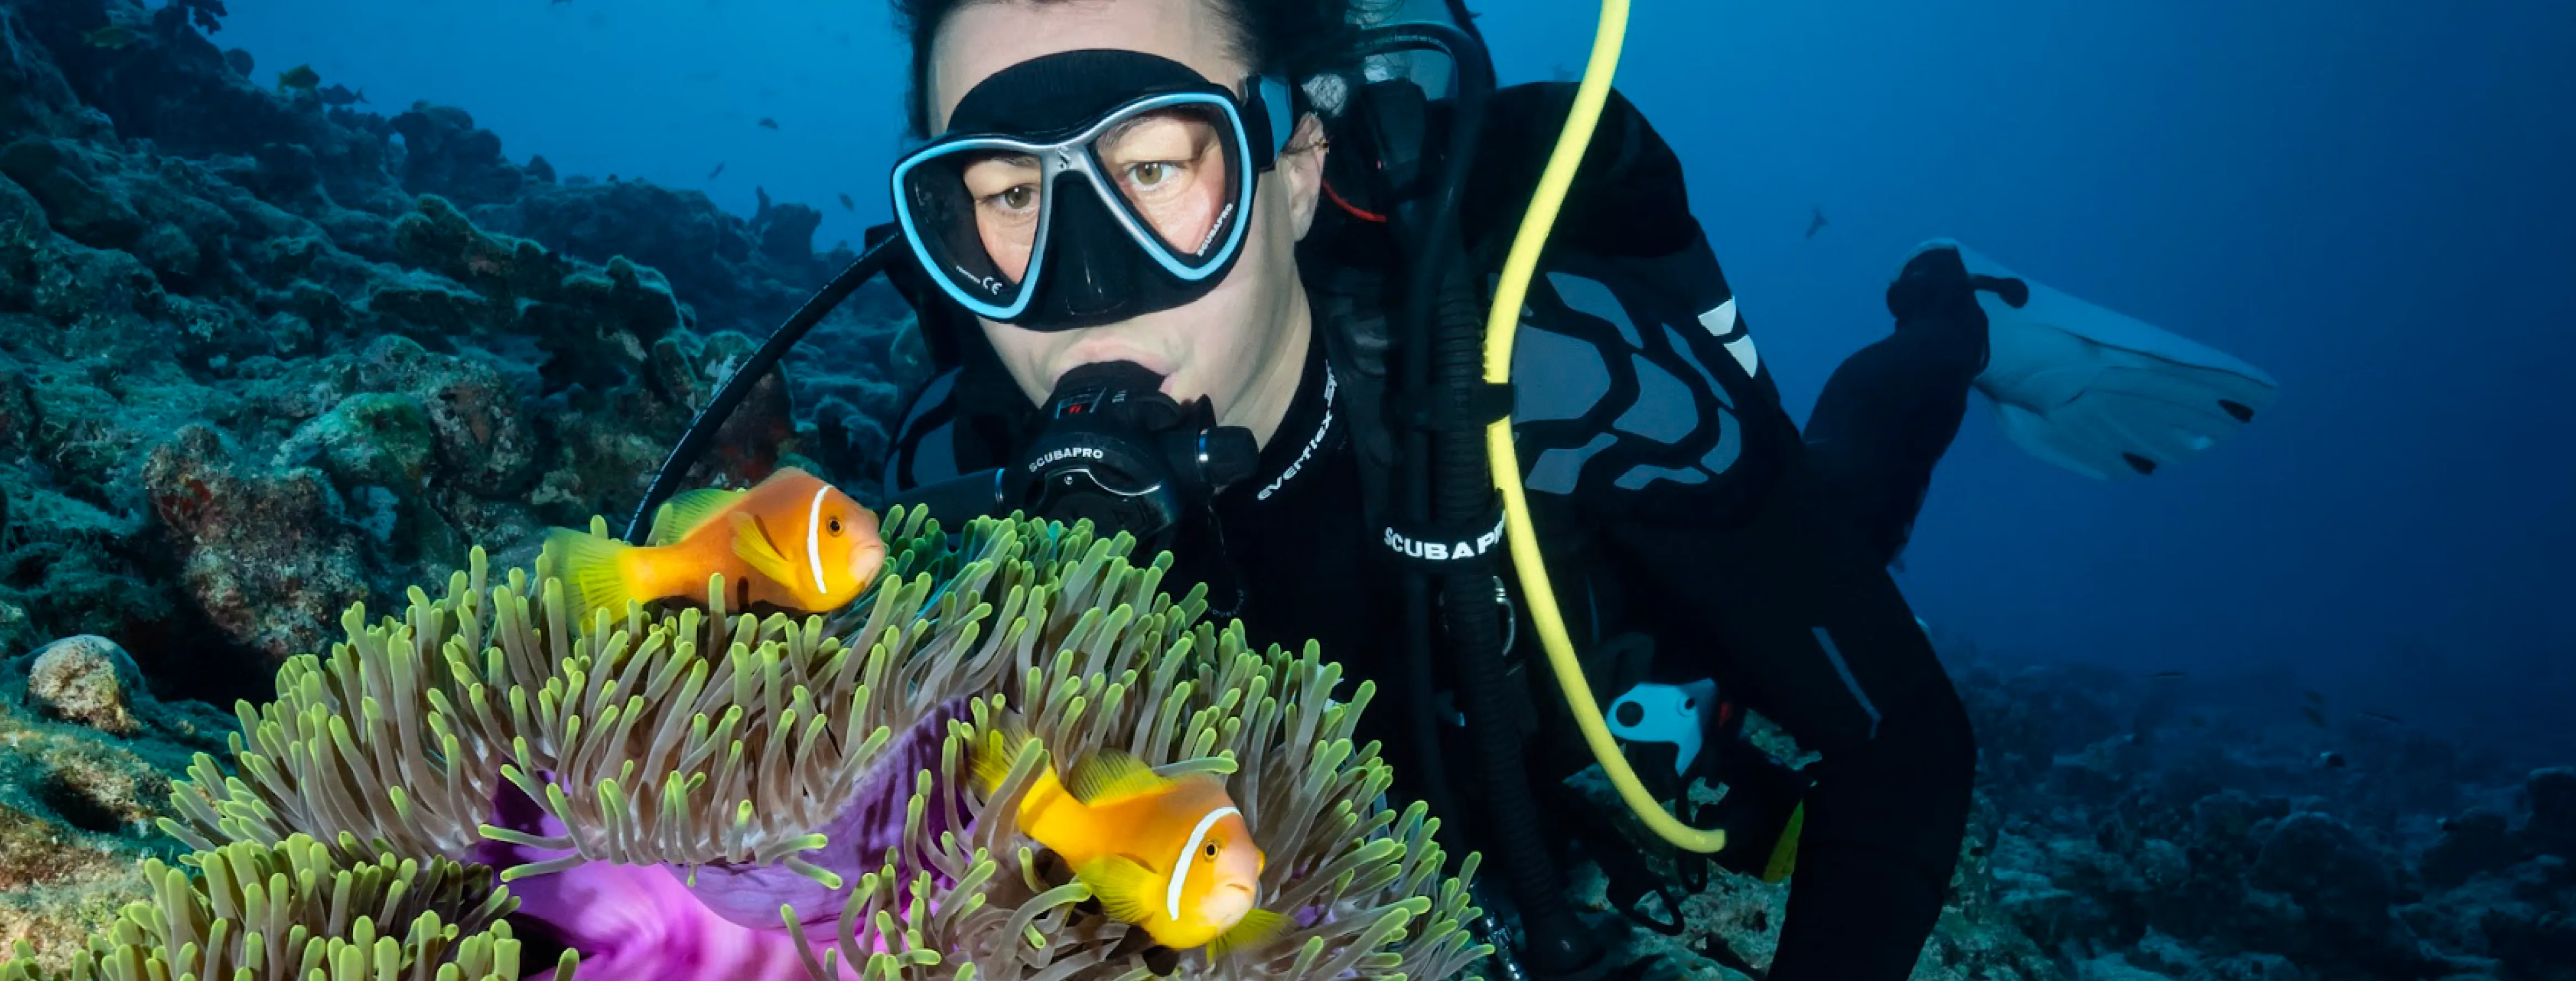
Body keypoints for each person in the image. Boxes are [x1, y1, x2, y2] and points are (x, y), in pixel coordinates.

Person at [856, 1, 2280, 978]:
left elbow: (1910, 757)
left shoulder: (1570, 384)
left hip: (1625, 635)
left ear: (1293, 170)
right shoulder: (947, 479)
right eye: (1008, 197)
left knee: (1851, 504)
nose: (1083, 292)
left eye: (1157, 166)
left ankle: (1955, 316)